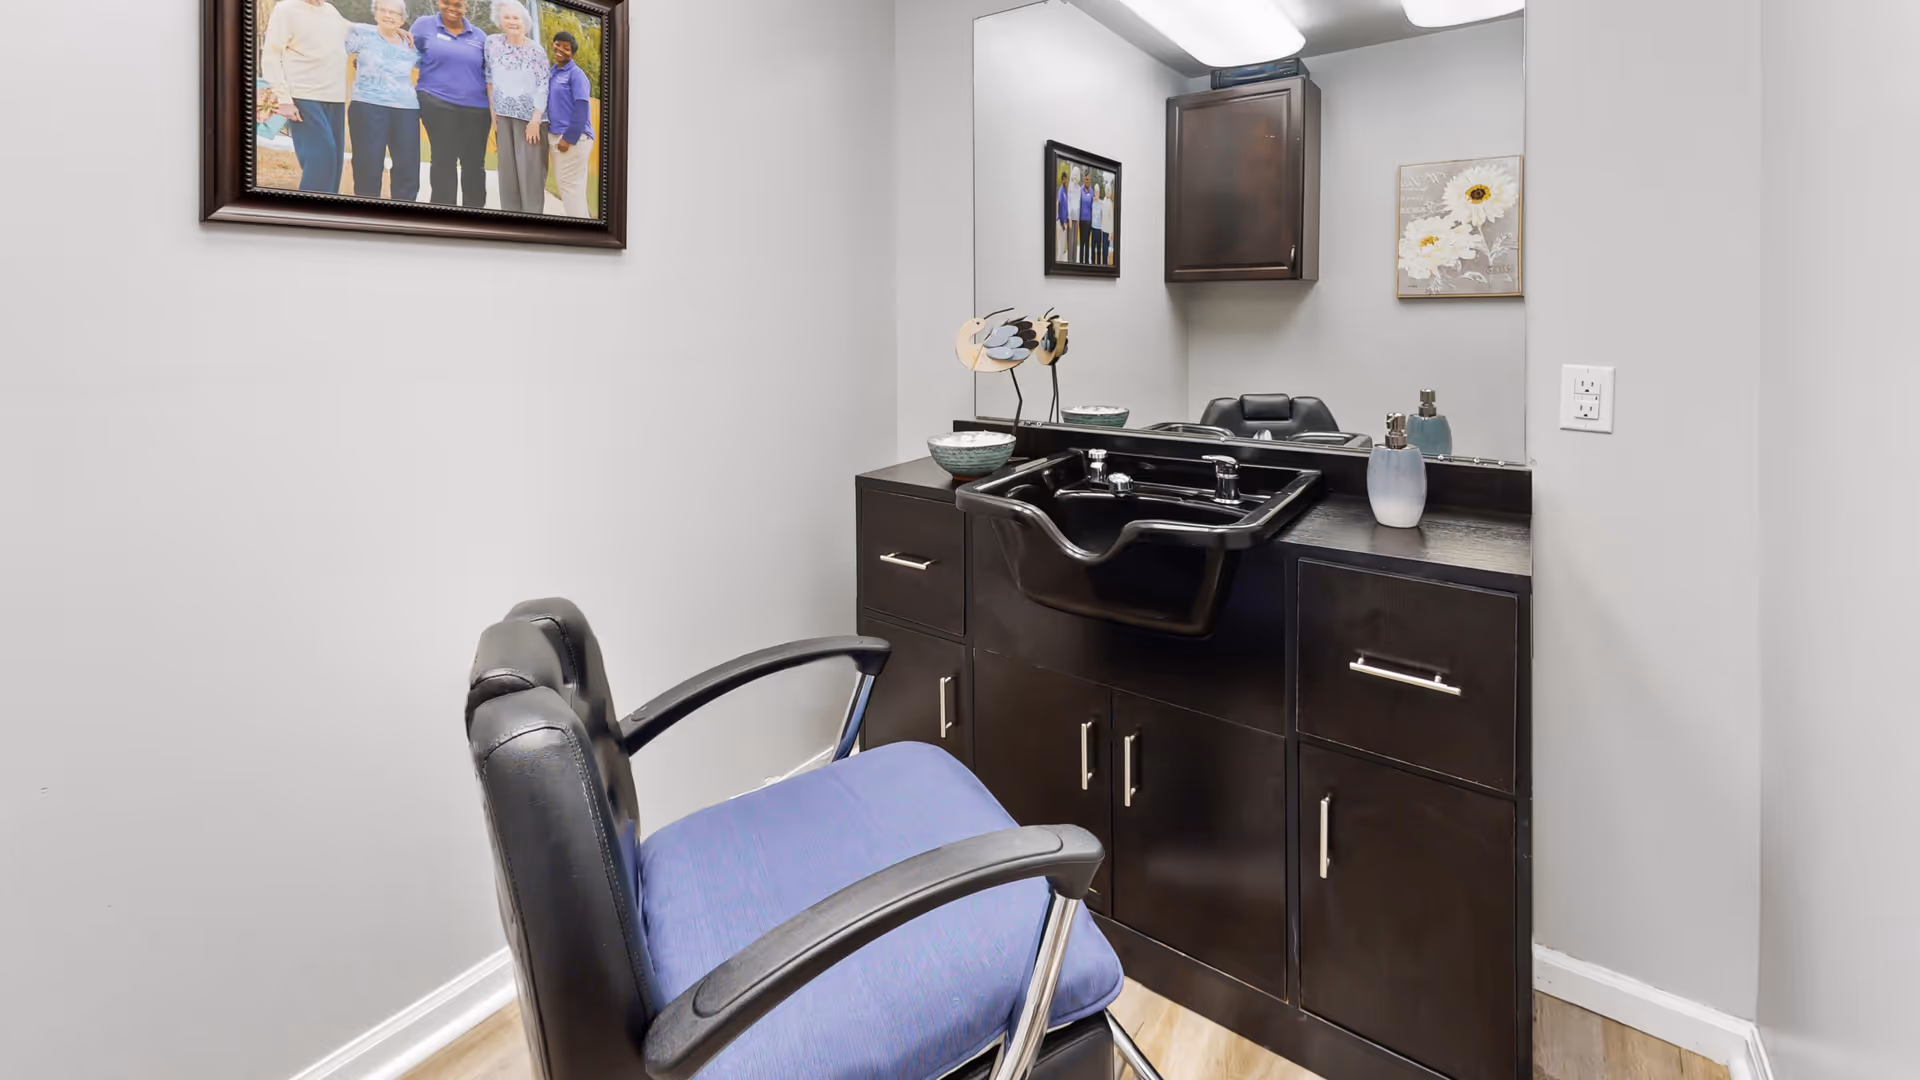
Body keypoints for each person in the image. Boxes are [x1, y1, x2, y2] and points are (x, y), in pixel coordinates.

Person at [261, 0, 351, 193]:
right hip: (304, 96)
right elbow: (271, 55)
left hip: (334, 98)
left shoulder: (330, 10)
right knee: (321, 158)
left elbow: (354, 31)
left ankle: (326, 210)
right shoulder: (286, 9)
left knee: (334, 164)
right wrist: (284, 100)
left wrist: (391, 30)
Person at [412, 0, 491, 207]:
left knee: (474, 163)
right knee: (443, 159)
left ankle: (474, 215)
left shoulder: (480, 37)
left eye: (458, 4)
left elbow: (492, 74)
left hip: (477, 109)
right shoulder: (423, 25)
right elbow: (402, 50)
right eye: (447, 2)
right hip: (436, 102)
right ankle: (443, 213)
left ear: (466, 7)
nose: (452, 8)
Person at [345, 0, 422, 201]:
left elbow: (431, 65)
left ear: (403, 19)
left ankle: (404, 212)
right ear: (375, 13)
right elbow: (332, 47)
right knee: (367, 165)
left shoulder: (410, 43)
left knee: (408, 166)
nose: (388, 15)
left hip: (406, 109)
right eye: (383, 11)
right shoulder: (361, 33)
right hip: (367, 106)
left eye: (394, 13)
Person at [486, 0, 551, 214]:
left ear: (524, 21)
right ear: (499, 21)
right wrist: (494, 115)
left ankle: (532, 223)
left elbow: (543, 86)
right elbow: (490, 80)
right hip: (503, 118)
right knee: (508, 177)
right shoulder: (492, 43)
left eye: (516, 18)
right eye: (507, 17)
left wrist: (535, 120)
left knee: (530, 179)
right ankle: (510, 222)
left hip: (530, 120)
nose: (512, 22)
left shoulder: (536, 51)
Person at [545, 30, 596, 218]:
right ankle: (586, 226)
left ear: (572, 53)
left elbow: (582, 108)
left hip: (573, 139)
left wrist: (569, 138)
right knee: (573, 190)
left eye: (566, 48)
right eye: (557, 44)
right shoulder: (553, 72)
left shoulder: (576, 75)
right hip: (558, 136)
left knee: (569, 188)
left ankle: (578, 228)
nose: (560, 49)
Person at [1065, 166, 1082, 263]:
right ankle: (1069, 262)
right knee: (1070, 242)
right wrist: (1070, 218)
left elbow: (1078, 203)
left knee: (1075, 241)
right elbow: (1069, 203)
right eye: (1074, 177)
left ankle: (1074, 262)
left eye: (1077, 178)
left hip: (1077, 218)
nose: (1075, 180)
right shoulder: (1070, 187)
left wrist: (1078, 218)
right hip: (1071, 218)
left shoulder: (1079, 188)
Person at [1089, 180, 1106, 268]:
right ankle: (1092, 263)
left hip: (1099, 228)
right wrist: (1092, 199)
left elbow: (1103, 215)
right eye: (1095, 192)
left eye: (1098, 192)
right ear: (1094, 193)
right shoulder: (1092, 202)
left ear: (1099, 193)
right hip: (1093, 227)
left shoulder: (1101, 203)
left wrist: (1103, 227)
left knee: (1099, 248)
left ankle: (1098, 264)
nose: (1096, 194)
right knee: (1093, 247)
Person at [1078, 173, 1095, 263]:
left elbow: (1093, 207)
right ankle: (1081, 262)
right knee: (1082, 242)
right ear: (1084, 180)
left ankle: (1086, 263)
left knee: (1087, 243)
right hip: (1082, 221)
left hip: (1089, 221)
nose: (1087, 181)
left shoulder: (1092, 192)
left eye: (1088, 180)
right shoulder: (1080, 190)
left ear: (1090, 180)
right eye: (1085, 179)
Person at [1055, 168, 1069, 260]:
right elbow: (1059, 205)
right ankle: (1058, 262)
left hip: (1065, 221)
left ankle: (1061, 261)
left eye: (1066, 179)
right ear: (1061, 179)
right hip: (1061, 222)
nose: (1065, 180)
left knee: (1063, 246)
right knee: (1060, 246)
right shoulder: (1061, 190)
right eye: (1063, 179)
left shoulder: (1065, 190)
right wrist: (1062, 223)